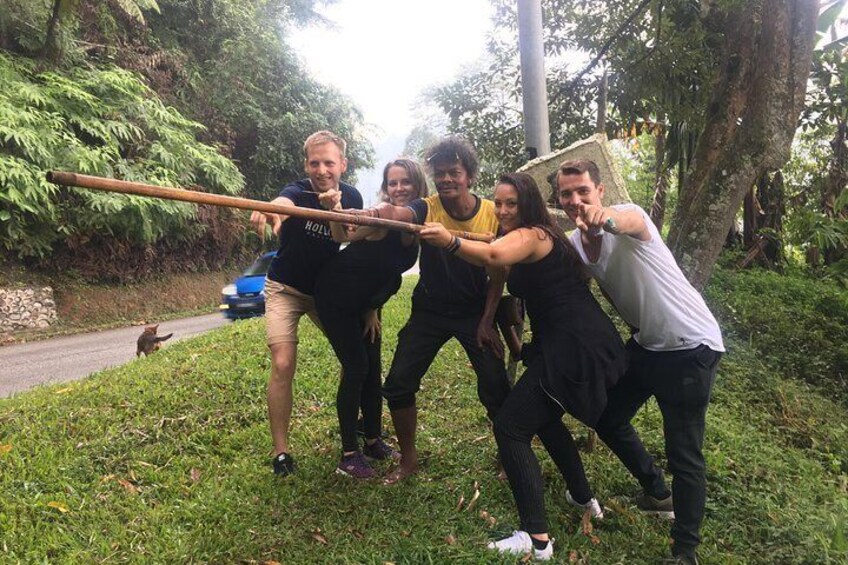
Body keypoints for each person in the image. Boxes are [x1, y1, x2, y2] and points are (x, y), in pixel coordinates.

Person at [420, 172, 626, 561]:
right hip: (571, 343)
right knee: (544, 419)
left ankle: (538, 540)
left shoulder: (534, 234)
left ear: (528, 204)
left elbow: (495, 256)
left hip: (573, 346)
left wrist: (449, 240)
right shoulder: (531, 235)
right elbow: (499, 270)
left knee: (510, 427)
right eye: (497, 203)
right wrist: (486, 319)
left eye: (511, 203)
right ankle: (584, 500)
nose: (502, 210)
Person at [556, 159, 724, 565]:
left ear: (600, 191)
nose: (576, 200)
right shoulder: (575, 244)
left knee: (684, 451)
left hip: (689, 345)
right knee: (607, 416)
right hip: (647, 345)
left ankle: (685, 552)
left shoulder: (631, 215)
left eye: (583, 191)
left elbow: (623, 221)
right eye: (566, 194)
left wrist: (604, 218)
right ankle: (657, 491)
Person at [352, 136, 511, 484]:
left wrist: (487, 321)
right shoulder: (426, 207)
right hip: (429, 311)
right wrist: (379, 212)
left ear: (469, 175)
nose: (447, 180)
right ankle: (408, 461)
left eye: (454, 172)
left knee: (496, 387)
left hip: (474, 312)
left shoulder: (490, 214)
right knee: (398, 384)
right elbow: (400, 212)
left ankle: (508, 457)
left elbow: (498, 274)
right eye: (440, 174)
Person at [250, 130, 363, 477]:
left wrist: (336, 209)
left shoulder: (353, 196)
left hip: (325, 293)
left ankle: (352, 417)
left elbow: (345, 237)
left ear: (342, 164)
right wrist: (271, 212)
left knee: (353, 356)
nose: (322, 169)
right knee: (283, 363)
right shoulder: (297, 191)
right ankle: (281, 452)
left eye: (329, 162)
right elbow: (282, 205)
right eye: (315, 162)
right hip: (284, 288)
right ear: (306, 165)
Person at [312, 159, 427, 478]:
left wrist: (372, 309)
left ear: (418, 186)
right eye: (392, 183)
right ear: (386, 188)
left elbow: (385, 275)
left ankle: (374, 439)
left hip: (365, 305)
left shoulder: (418, 224)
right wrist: (335, 207)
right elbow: (341, 233)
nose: (399, 188)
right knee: (356, 367)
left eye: (405, 182)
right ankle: (349, 454)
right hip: (335, 297)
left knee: (373, 369)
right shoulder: (381, 218)